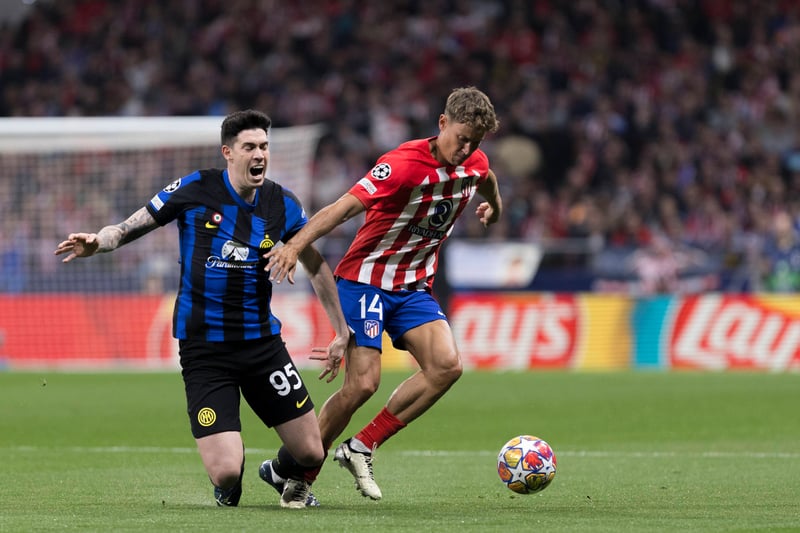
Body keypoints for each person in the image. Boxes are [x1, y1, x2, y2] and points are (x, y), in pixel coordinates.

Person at [53, 109, 349, 509]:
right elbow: (126, 228)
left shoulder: (282, 204)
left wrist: (340, 330)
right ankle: (229, 482)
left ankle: (277, 472)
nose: (259, 154)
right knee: (226, 471)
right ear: (228, 152)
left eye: (264, 146)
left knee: (312, 451)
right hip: (205, 351)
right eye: (249, 147)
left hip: (262, 346)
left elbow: (315, 266)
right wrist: (98, 242)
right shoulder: (195, 188)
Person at [264, 87, 501, 500]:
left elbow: (487, 179)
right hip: (365, 280)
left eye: (475, 143)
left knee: (447, 367)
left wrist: (494, 208)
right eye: (461, 138)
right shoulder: (403, 165)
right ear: (442, 124)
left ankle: (361, 446)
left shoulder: (474, 163)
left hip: (413, 287)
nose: (466, 149)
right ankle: (299, 475)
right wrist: (295, 245)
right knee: (363, 385)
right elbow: (342, 207)